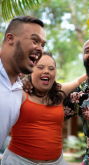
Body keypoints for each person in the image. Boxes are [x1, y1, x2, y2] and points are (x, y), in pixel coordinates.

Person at [1, 52, 87, 165]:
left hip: (57, 162)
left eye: (51, 68)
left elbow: (78, 81)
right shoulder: (19, 92)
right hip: (19, 161)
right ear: (31, 71)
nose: (46, 71)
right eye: (40, 67)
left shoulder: (59, 91)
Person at [0, 16, 46, 149]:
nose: (40, 49)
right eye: (34, 41)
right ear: (10, 38)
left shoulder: (21, 90)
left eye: (43, 45)